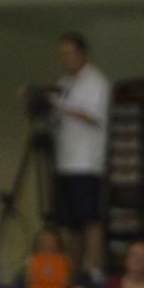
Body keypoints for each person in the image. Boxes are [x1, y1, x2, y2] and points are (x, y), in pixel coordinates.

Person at [47, 32, 111, 270]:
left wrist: (61, 107)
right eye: (62, 54)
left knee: (90, 220)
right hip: (65, 162)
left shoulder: (97, 82)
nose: (65, 59)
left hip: (86, 163)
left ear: (82, 54)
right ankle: (73, 271)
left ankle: (95, 270)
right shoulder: (64, 84)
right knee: (72, 222)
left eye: (70, 53)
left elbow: (93, 116)